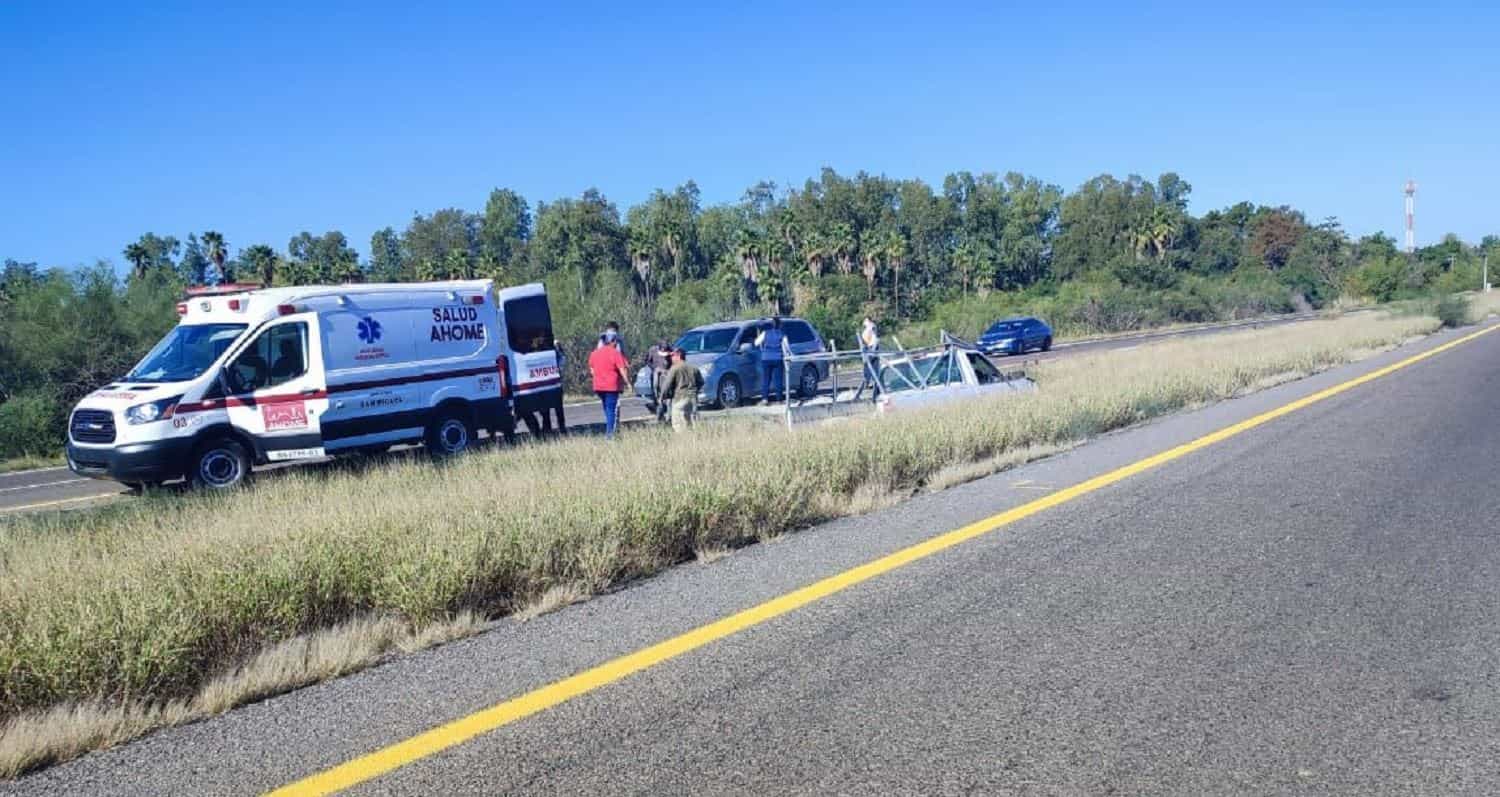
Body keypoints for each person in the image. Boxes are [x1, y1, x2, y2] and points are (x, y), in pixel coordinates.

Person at [588, 331, 631, 439]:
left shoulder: (594, 353)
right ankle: (610, 435)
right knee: (611, 410)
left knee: (607, 408)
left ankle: (610, 431)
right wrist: (627, 383)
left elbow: (592, 370)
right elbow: (622, 369)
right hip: (611, 386)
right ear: (612, 341)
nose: (616, 343)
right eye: (615, 340)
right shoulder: (615, 353)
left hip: (598, 386)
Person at [658, 347, 704, 432]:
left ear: (678, 356)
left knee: (679, 425)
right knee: (692, 424)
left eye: (673, 356)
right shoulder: (694, 368)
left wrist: (661, 397)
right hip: (693, 399)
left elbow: (666, 384)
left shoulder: (674, 368)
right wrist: (695, 391)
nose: (671, 358)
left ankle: (682, 442)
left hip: (680, 399)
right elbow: (701, 382)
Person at [754, 317, 786, 404]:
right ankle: (779, 399)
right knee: (778, 379)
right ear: (779, 325)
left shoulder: (765, 333)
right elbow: (786, 348)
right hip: (777, 358)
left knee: (766, 379)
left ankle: (765, 399)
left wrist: (760, 338)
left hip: (766, 358)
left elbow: (756, 343)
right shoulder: (781, 334)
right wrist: (788, 356)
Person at [853, 316, 882, 403]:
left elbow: (875, 338)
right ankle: (861, 396)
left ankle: (872, 397)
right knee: (869, 377)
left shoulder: (872, 327)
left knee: (872, 376)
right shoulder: (867, 329)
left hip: (871, 351)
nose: (863, 322)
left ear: (868, 320)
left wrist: (873, 350)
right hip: (868, 351)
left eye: (864, 320)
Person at [645, 339, 673, 423]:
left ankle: (669, 416)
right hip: (656, 374)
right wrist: (654, 368)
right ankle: (660, 416)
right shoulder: (652, 350)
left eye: (665, 349)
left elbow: (673, 362)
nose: (664, 350)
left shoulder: (670, 350)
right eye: (662, 349)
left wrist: (668, 370)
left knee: (667, 396)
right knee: (656, 394)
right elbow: (647, 361)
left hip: (666, 375)